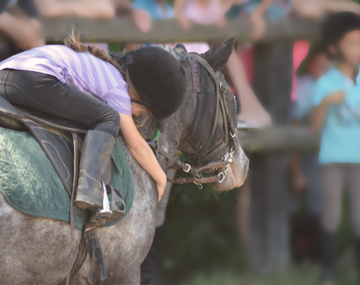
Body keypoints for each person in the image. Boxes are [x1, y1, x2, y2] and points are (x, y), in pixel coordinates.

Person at [0, 34, 186, 222]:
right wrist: (161, 178)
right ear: (138, 93)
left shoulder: (106, 72)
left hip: (11, 73)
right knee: (108, 118)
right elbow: (136, 146)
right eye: (144, 110)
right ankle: (90, 189)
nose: (138, 115)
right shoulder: (119, 91)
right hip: (33, 78)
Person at [310, 12, 360, 284]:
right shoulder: (325, 83)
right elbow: (314, 129)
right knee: (331, 214)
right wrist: (327, 102)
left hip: (358, 160)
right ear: (333, 47)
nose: (357, 49)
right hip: (332, 159)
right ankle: (327, 272)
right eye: (351, 43)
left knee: (359, 217)